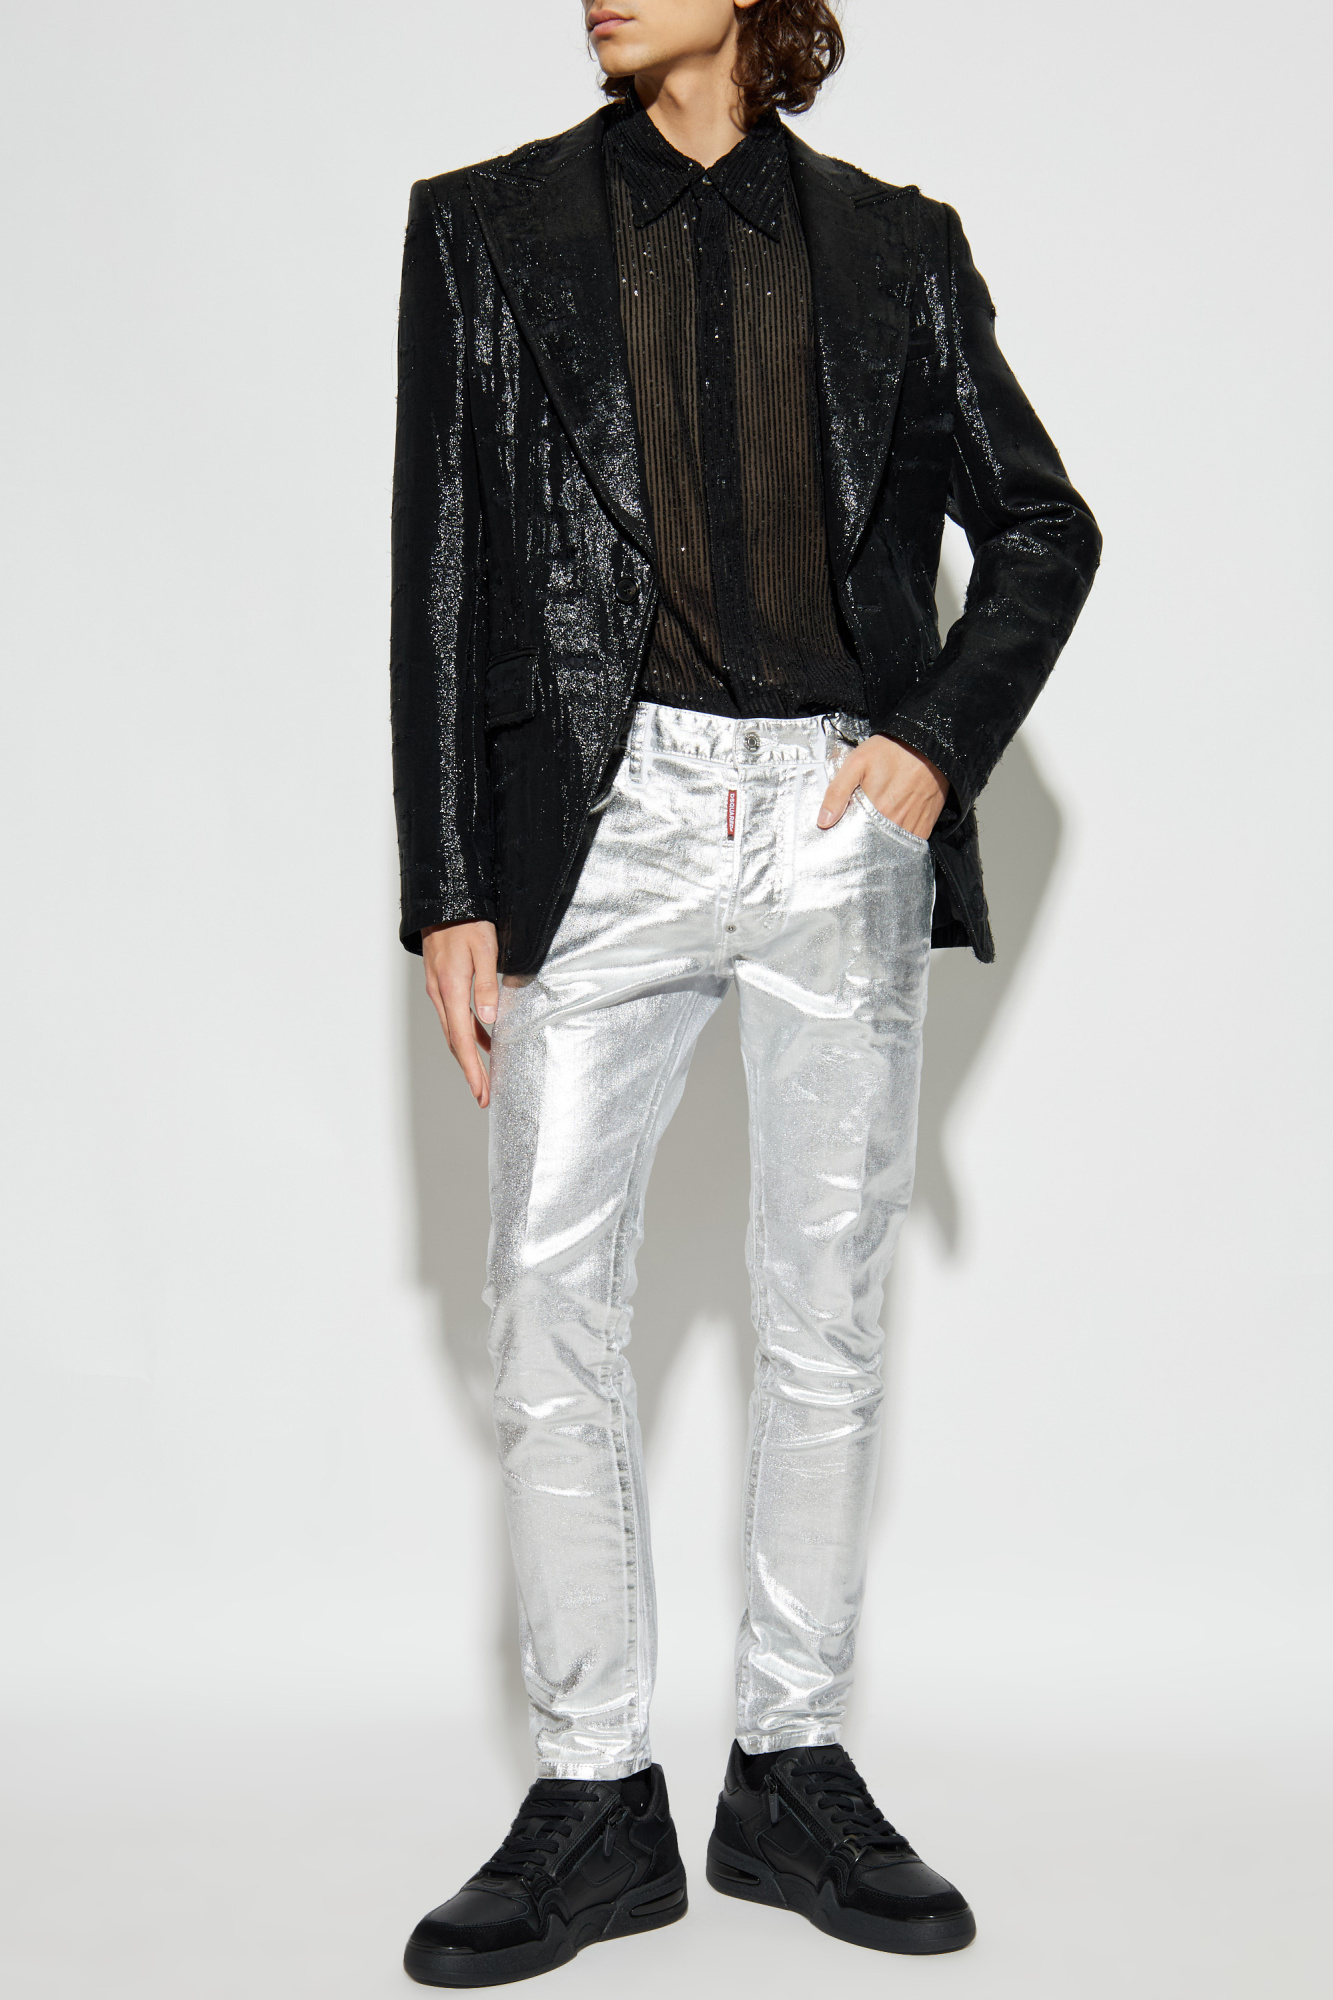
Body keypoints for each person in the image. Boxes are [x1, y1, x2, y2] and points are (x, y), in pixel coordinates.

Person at [391, 1, 1100, 1984]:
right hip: (596, 819)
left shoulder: (896, 245)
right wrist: (447, 881)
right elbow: (439, 565)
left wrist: (934, 742)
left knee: (822, 1319)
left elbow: (1041, 524)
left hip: (829, 822)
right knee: (546, 1307)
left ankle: (788, 1764)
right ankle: (592, 1794)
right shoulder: (482, 228)